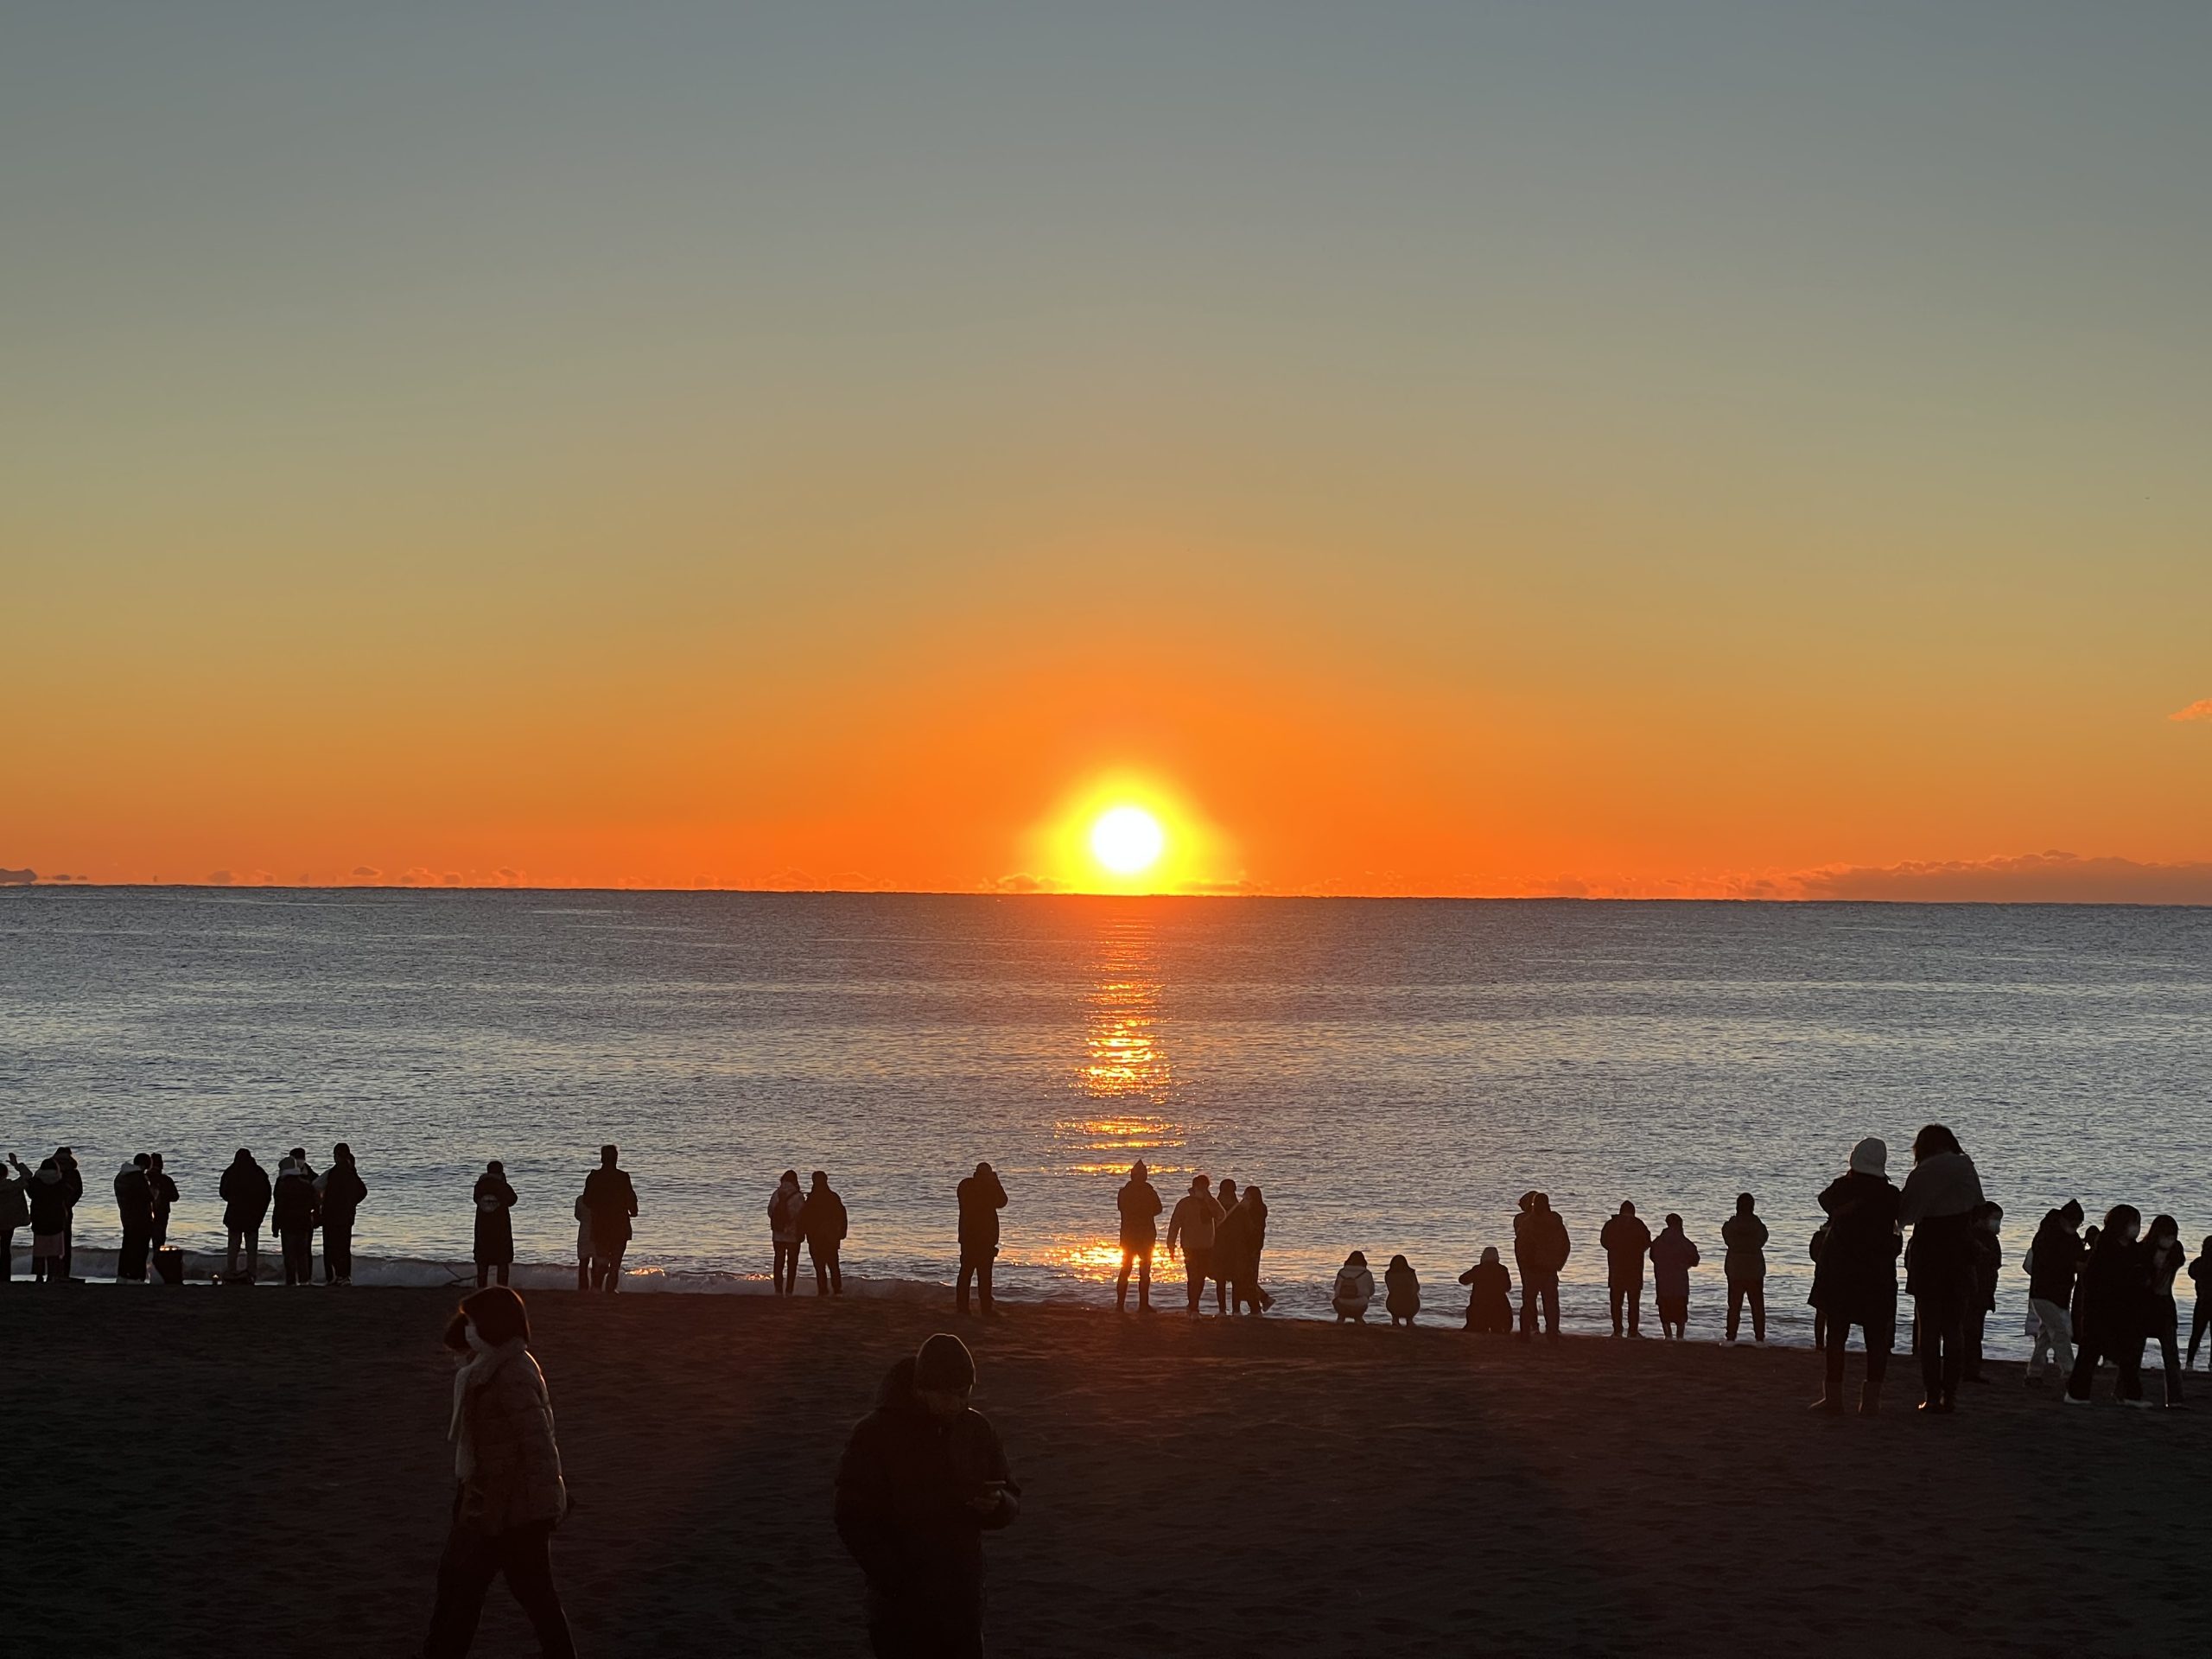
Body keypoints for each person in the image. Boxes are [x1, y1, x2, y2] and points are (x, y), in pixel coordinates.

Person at [836, 1332, 1019, 1658]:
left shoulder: (976, 1428)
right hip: (899, 1608)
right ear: (921, 1390)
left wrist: (997, 1504)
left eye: (965, 1394)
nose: (959, 1404)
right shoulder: (875, 1434)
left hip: (962, 1598)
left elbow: (1009, 1496)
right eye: (949, 1395)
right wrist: (895, 1581)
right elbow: (852, 1517)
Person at [422, 1287, 575, 1658]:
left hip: (515, 1509)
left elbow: (538, 1445)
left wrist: (548, 1504)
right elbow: (454, 1340)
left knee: (525, 1594)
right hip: (484, 1499)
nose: (468, 1329)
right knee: (462, 1586)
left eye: (474, 1322)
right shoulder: (483, 1367)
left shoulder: (512, 1371)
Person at [1808, 1137, 1904, 1415]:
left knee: (1836, 1334)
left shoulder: (1843, 1188)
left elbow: (1823, 1200)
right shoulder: (1891, 1195)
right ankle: (1871, 1401)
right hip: (1877, 1272)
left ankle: (1834, 1397)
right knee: (1876, 1338)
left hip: (1840, 1270)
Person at [1897, 1123, 1984, 1414]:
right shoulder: (1966, 1168)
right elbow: (1979, 1207)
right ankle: (1952, 1395)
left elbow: (1905, 1216)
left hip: (1929, 1253)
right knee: (1954, 1329)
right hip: (1960, 1251)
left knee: (1929, 1330)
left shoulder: (1922, 1173)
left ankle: (1932, 1395)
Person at [2066, 1206, 2150, 1408]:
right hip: (2101, 1310)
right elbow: (2093, 1281)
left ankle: (2131, 1395)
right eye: (2133, 1223)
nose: (2136, 1228)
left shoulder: (2134, 1251)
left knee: (2128, 1354)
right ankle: (2076, 1394)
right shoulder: (2104, 1249)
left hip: (2125, 1310)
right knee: (2090, 1353)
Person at [2023, 1199, 2086, 1386]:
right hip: (2044, 1293)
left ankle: (2034, 1372)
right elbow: (2053, 1263)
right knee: (2060, 1333)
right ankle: (2070, 1371)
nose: (2075, 1227)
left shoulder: (2058, 1236)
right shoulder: (2048, 1238)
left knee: (2046, 1335)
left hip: (2056, 1293)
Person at [2141, 1212, 2185, 1408]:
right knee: (2134, 1352)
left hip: (2164, 1305)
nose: (2170, 1239)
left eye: (2173, 1235)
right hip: (2146, 1304)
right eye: (2167, 1235)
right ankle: (2124, 1391)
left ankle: (2175, 1399)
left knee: (2171, 1355)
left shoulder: (2175, 1253)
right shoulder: (2145, 1251)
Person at [1165, 1174, 1224, 1316]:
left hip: (1206, 1245)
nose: (1203, 1190)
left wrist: (1209, 1199)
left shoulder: (1210, 1203)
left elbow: (1221, 1215)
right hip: (1190, 1246)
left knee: (1201, 1277)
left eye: (1205, 1187)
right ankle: (1193, 1307)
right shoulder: (1185, 1203)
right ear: (1195, 1187)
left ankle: (1193, 1305)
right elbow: (1175, 1224)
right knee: (1193, 1277)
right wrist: (1170, 1245)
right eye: (1201, 1187)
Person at [1512, 1192, 1570, 1339]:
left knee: (1529, 1300)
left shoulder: (1527, 1223)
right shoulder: (1555, 1222)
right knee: (1551, 1302)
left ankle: (1526, 1332)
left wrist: (1525, 1263)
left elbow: (1520, 1246)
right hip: (1549, 1268)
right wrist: (1558, 1263)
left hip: (1532, 1268)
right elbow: (1565, 1245)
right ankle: (1552, 1332)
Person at [582, 1145, 638, 1293]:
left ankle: (596, 1288)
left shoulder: (594, 1177)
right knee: (615, 1262)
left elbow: (587, 1200)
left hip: (600, 1224)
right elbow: (630, 1197)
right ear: (616, 1159)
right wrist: (633, 1210)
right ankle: (610, 1290)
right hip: (619, 1224)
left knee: (601, 1259)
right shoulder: (623, 1177)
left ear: (602, 1159)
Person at [955, 1161, 1006, 1317]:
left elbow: (1001, 1202)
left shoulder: (966, 1186)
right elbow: (1002, 1201)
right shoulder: (979, 1189)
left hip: (971, 1238)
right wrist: (995, 1182)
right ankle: (984, 1309)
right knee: (981, 1276)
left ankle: (965, 1308)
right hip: (980, 1239)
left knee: (969, 1274)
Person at [1113, 1160, 1162, 1314]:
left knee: (1129, 1269)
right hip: (1142, 1235)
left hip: (1131, 1235)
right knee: (1139, 1270)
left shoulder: (1124, 1192)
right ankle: (1139, 1306)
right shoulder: (1148, 1191)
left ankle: (1124, 1306)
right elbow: (1158, 1209)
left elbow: (1121, 1208)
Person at [1962, 1201, 2004, 1382]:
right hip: (1972, 1292)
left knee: (1974, 1332)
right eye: (1994, 1219)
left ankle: (1971, 1368)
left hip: (1983, 1292)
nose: (1997, 1224)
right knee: (1971, 1332)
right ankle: (1969, 1370)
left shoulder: (1988, 1238)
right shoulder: (1975, 1238)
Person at [1598, 1201, 1651, 1338]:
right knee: (1633, 1301)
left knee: (1616, 1301)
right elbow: (1647, 1242)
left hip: (1616, 1266)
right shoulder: (1639, 1224)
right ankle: (1632, 1330)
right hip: (1634, 1267)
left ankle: (1617, 1330)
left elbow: (1604, 1241)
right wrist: (1637, 1251)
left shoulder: (1612, 1224)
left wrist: (1615, 1250)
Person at [1721, 1193, 1769, 1344]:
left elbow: (1727, 1239)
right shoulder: (1758, 1225)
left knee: (1734, 1306)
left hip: (1735, 1269)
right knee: (1757, 1306)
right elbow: (1763, 1240)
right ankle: (1760, 1339)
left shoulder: (1731, 1225)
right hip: (1754, 1269)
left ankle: (1730, 1337)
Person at [318, 1143, 367, 1285]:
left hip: (332, 1215)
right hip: (346, 1216)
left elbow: (318, 1186)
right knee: (344, 1247)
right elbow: (362, 1192)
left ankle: (335, 1276)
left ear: (338, 1156)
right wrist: (351, 1203)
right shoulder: (352, 1173)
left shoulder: (334, 1173)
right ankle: (345, 1276)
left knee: (331, 1247)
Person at [220, 1147, 271, 1283]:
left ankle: (231, 1271)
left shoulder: (231, 1172)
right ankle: (251, 1273)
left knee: (233, 1246)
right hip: (252, 1216)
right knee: (252, 1247)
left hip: (234, 1215)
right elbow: (267, 1194)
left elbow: (223, 1192)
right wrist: (260, 1211)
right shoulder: (258, 1173)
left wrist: (233, 1200)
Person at [272, 1154, 321, 1287]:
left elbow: (279, 1208)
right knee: (302, 1253)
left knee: (289, 1254)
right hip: (304, 1222)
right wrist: (315, 1218)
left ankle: (291, 1280)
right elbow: (315, 1203)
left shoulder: (282, 1186)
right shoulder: (306, 1185)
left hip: (287, 1224)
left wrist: (275, 1227)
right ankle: (304, 1280)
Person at [1649, 1214, 1700, 1339]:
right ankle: (1680, 1338)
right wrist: (1685, 1264)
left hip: (1663, 1283)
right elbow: (1695, 1260)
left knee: (1665, 1312)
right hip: (1680, 1284)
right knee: (1680, 1313)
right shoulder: (1684, 1242)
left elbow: (1652, 1257)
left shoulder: (1658, 1241)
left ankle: (1668, 1336)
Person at [804, 1170, 849, 1297]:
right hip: (831, 1237)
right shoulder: (833, 1197)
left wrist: (804, 1233)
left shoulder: (812, 1198)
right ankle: (837, 1289)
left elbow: (805, 1218)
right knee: (833, 1264)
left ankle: (823, 1290)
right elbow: (842, 1215)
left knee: (820, 1266)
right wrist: (842, 1232)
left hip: (816, 1237)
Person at [474, 1161, 518, 1290]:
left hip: (483, 1228)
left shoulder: (479, 1186)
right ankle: (502, 1289)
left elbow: (475, 1198)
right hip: (500, 1227)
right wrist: (503, 1183)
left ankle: (481, 1289)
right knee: (502, 1261)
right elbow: (512, 1200)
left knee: (482, 1261)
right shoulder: (502, 1186)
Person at [27, 1159, 72, 1285]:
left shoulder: (35, 1182)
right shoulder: (61, 1183)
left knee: (39, 1250)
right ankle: (52, 1275)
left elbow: (30, 1192)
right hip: (57, 1219)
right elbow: (69, 1192)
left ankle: (39, 1275)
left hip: (39, 1219)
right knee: (55, 1251)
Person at [114, 1154, 156, 1282]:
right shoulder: (138, 1178)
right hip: (141, 1218)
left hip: (126, 1216)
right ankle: (136, 1277)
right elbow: (148, 1197)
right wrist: (155, 1193)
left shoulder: (121, 1177)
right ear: (144, 1166)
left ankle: (122, 1275)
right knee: (140, 1249)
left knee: (127, 1247)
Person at [769, 1170, 807, 1296]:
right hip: (793, 1235)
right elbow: (801, 1216)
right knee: (792, 1263)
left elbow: (770, 1212)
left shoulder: (776, 1193)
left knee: (778, 1262)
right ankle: (789, 1290)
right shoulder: (798, 1196)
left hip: (778, 1234)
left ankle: (778, 1290)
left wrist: (780, 1224)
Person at [1459, 1247, 1514, 1333]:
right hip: (1498, 1306)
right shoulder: (1502, 1269)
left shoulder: (1478, 1269)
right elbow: (1508, 1287)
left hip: (1480, 1306)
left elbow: (1462, 1280)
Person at [52, 1147, 82, 1281]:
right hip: (65, 1210)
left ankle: (51, 1273)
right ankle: (65, 1273)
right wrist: (68, 1204)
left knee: (50, 1241)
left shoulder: (49, 1170)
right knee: (65, 1242)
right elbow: (78, 1191)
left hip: (49, 1210)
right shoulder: (73, 1172)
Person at [1211, 1179, 1240, 1313]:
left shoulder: (1215, 1207)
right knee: (1236, 1280)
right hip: (1235, 1248)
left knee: (1220, 1281)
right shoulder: (1239, 1208)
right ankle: (1236, 1310)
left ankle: (1222, 1310)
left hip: (1218, 1247)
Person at [0, 1154, 28, 1283]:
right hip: (8, 1222)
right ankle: (5, 1277)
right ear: (5, 1174)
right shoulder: (13, 1186)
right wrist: (17, 1165)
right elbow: (28, 1176)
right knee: (5, 1249)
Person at [147, 1153, 179, 1253]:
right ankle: (157, 1262)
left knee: (142, 1240)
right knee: (159, 1240)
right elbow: (175, 1197)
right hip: (162, 1213)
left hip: (144, 1213)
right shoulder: (166, 1180)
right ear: (161, 1165)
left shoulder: (143, 1178)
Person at [1332, 1250, 1376, 1322]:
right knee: (1364, 1298)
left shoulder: (1342, 1272)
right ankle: (1358, 1318)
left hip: (1341, 1305)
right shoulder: (1367, 1273)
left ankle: (1341, 1318)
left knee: (1337, 1299)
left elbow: (1336, 1289)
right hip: (1360, 1306)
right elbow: (1371, 1291)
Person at [1808, 1220, 1832, 1350]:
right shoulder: (1842, 1235)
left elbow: (1813, 1254)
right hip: (1837, 1275)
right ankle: (1832, 1343)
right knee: (1834, 1313)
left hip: (1821, 1274)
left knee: (1820, 1311)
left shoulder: (1819, 1236)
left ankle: (1819, 1343)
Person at [2189, 1236, 2212, 1370]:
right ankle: (2211, 1364)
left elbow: (2191, 1273)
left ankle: (2189, 1362)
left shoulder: (2199, 1263)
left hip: (2202, 1302)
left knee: (2196, 1334)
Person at [1385, 1254, 1421, 1327]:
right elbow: (1417, 1288)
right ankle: (1409, 1320)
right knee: (1412, 1296)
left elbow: (1390, 1289)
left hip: (1394, 1305)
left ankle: (1395, 1319)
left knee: (1393, 1295)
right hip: (1411, 1305)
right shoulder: (1411, 1273)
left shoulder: (1389, 1274)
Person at [572, 1194, 594, 1293]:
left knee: (583, 1261)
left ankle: (583, 1286)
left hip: (584, 1231)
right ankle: (595, 1285)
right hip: (598, 1231)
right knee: (597, 1260)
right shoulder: (602, 1199)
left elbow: (577, 1215)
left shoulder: (580, 1199)